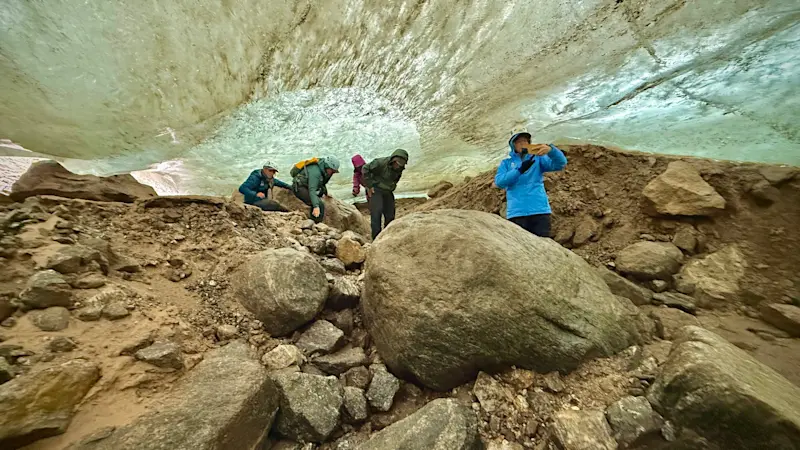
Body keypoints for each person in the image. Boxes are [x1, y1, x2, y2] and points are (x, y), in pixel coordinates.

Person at [494, 128, 567, 237]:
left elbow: (560, 164)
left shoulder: (538, 159)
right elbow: (499, 182)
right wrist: (519, 170)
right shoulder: (507, 163)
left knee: (543, 245)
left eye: (525, 141)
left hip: (539, 210)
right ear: (513, 144)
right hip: (517, 213)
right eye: (519, 141)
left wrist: (551, 151)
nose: (523, 144)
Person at [362, 149, 408, 239]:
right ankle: (376, 238)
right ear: (393, 160)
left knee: (390, 214)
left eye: (400, 164)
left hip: (388, 191)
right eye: (396, 163)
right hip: (376, 190)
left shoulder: (400, 169)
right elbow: (365, 168)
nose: (397, 166)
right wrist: (369, 185)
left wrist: (392, 186)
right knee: (376, 213)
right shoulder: (380, 162)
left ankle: (388, 236)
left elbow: (396, 179)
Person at [290, 156, 340, 222]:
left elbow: (322, 183)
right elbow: (312, 190)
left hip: (307, 185)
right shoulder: (315, 172)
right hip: (299, 187)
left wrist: (326, 192)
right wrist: (316, 206)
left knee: (320, 194)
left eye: (334, 171)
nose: (333, 173)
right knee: (320, 204)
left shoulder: (324, 170)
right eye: (332, 171)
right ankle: (315, 223)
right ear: (327, 166)